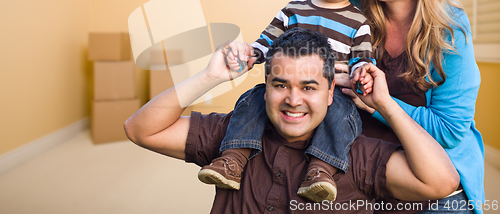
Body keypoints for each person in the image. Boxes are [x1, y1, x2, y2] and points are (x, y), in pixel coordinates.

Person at [123, 28, 459, 214]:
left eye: (309, 88)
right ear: (264, 88)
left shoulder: (355, 155)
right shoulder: (233, 138)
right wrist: (211, 77)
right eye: (280, 85)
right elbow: (140, 129)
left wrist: (384, 104)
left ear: (331, 93)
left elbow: (440, 183)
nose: (293, 100)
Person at [198, 0, 376, 203]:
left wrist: (361, 73)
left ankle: (320, 171)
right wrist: (250, 53)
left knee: (342, 114)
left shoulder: (358, 22)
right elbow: (266, 43)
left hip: (331, 92)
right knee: (253, 99)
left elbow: (362, 59)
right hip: (287, 85)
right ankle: (233, 159)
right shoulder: (293, 10)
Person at [340, 0, 484, 214]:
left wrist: (378, 104)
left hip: (436, 173)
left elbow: (448, 130)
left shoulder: (450, 28)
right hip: (367, 161)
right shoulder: (350, 11)